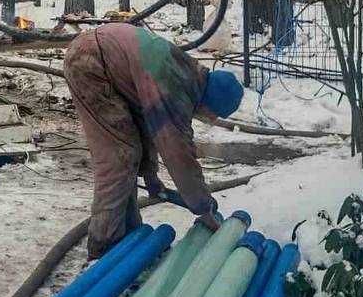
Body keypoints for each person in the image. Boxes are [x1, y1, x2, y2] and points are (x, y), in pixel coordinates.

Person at [63, 21, 245, 260]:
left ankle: (128, 236)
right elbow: (178, 153)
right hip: (91, 64)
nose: (208, 119)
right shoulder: (175, 90)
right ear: (212, 102)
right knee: (119, 157)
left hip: (100, 56)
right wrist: (203, 207)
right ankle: (103, 249)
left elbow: (148, 126)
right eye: (212, 115)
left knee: (129, 151)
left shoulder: (186, 76)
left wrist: (150, 175)